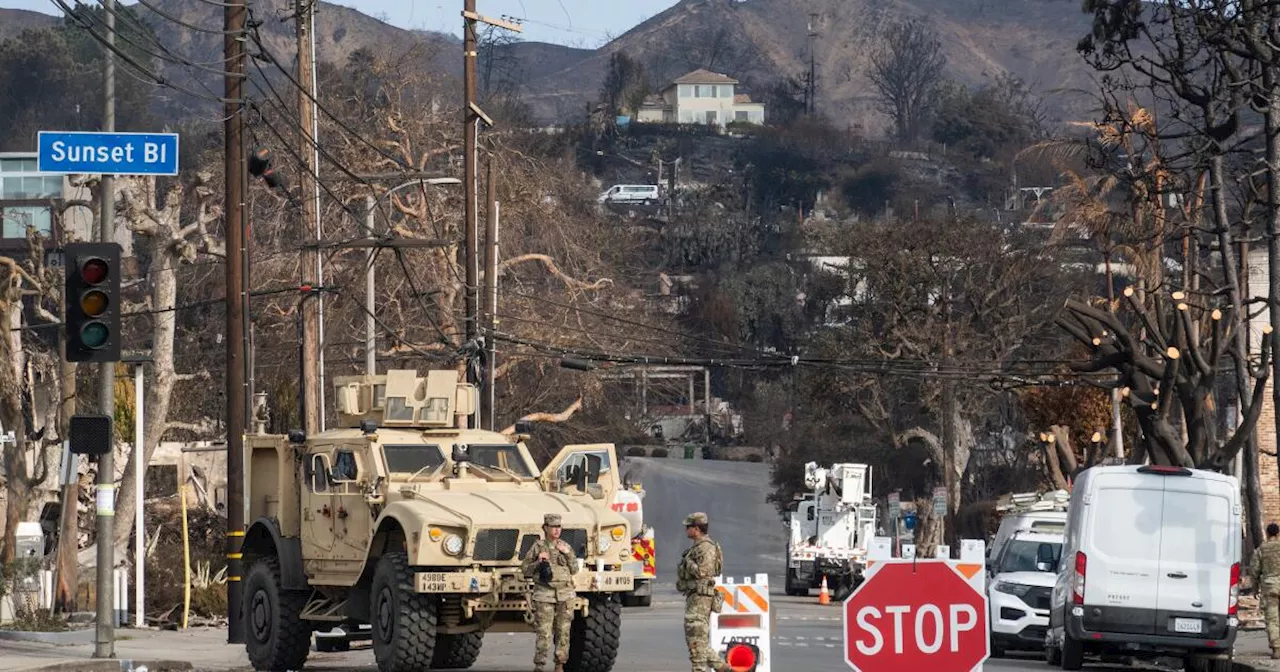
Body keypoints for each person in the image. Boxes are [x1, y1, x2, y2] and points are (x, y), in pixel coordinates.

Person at [522, 513, 578, 672]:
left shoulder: (565, 546)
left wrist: (567, 553)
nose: (557, 530)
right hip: (544, 595)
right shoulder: (538, 547)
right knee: (544, 633)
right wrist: (538, 561)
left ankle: (560, 664)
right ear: (546, 528)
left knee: (563, 632)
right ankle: (540, 665)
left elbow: (574, 569)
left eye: (559, 526)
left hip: (565, 595)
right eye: (553, 527)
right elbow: (525, 570)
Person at [677, 512, 729, 672]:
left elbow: (703, 572)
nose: (686, 530)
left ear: (697, 529)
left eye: (689, 527)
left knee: (696, 643)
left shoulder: (706, 548)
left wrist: (689, 562)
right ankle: (724, 668)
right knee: (697, 642)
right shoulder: (698, 547)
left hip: (701, 600)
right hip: (694, 598)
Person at [1253, 522, 1280, 659]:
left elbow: (1255, 570)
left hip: (1270, 588)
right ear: (1278, 533)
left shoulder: (1261, 549)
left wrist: (1254, 588)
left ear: (1268, 533)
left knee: (1272, 619)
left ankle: (1277, 649)